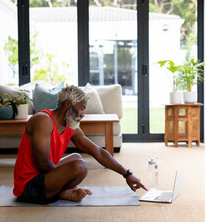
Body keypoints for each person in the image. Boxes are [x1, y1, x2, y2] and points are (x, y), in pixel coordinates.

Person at [13, 85, 147, 204]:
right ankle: (60, 192)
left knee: (77, 158)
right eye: (81, 109)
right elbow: (41, 163)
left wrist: (127, 174)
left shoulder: (70, 126)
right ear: (67, 105)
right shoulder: (43, 120)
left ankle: (59, 191)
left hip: (44, 178)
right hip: (28, 186)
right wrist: (64, 179)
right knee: (79, 167)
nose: (83, 114)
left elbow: (97, 152)